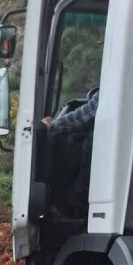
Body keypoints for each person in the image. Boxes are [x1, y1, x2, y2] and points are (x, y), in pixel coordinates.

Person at [43, 87, 99, 216]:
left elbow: (82, 117)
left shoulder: (113, 88)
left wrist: (50, 126)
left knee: (93, 139)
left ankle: (79, 203)